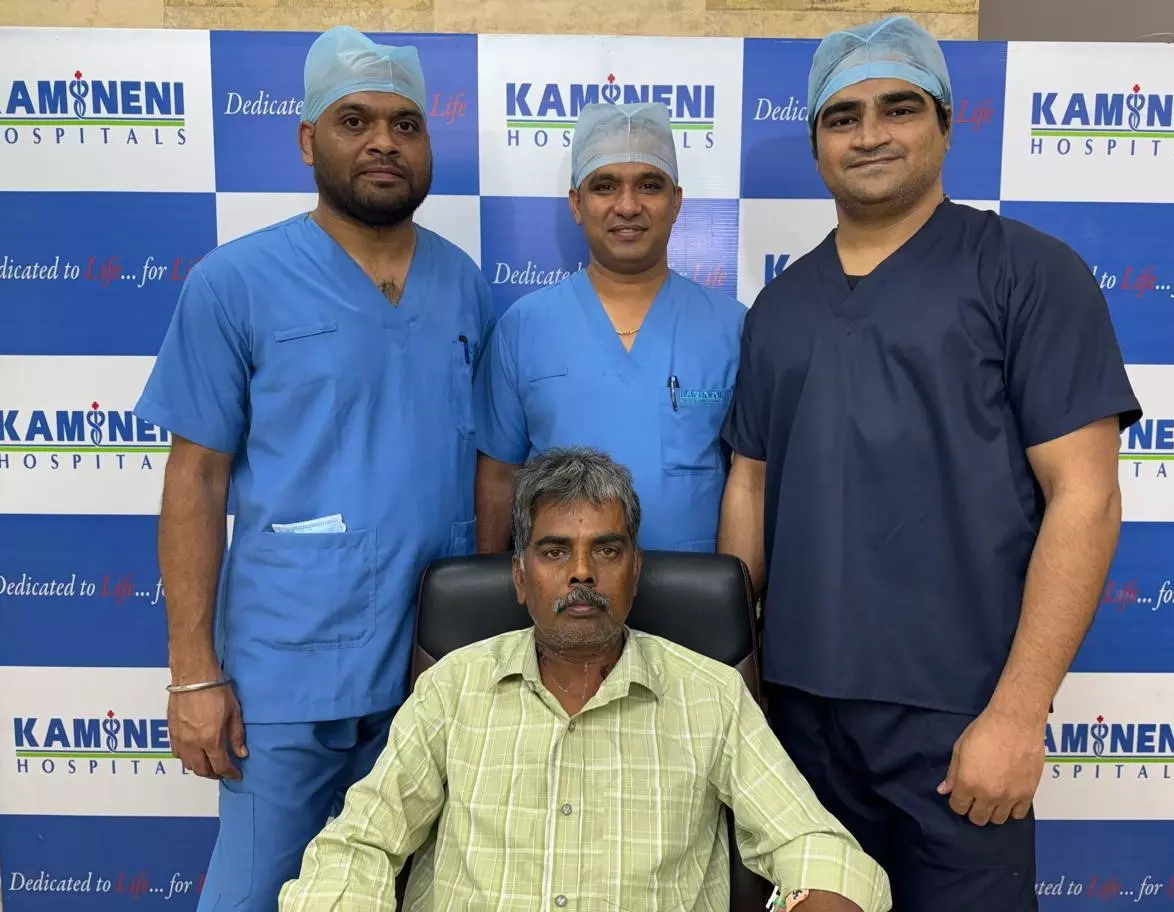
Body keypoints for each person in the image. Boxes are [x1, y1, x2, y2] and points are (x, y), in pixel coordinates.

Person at [718, 15, 1141, 911]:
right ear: (816, 144)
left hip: (963, 720)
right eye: (843, 117)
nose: (870, 134)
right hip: (798, 722)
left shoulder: (1028, 275)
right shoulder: (779, 309)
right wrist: (736, 690)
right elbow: (749, 483)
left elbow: (1087, 497)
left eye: (898, 108)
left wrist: (1019, 713)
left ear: (947, 124)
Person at [133, 26, 494, 911]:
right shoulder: (235, 283)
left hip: (431, 667)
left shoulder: (464, 285)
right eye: (354, 120)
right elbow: (195, 481)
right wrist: (193, 673)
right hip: (288, 672)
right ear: (307, 140)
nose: (383, 142)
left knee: (411, 891)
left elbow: (492, 469)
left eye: (406, 124)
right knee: (258, 892)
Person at [277, 447, 893, 912]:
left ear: (635, 571)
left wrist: (821, 896)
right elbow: (361, 843)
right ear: (520, 578)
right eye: (553, 552)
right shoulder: (453, 687)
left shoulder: (711, 695)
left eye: (606, 550)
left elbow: (814, 844)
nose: (581, 573)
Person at [474, 102, 746, 555]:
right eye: (605, 186)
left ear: (677, 202)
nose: (628, 206)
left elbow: (751, 479)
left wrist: (740, 588)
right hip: (564, 589)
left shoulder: (732, 327)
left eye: (649, 185)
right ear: (576, 204)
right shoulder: (524, 327)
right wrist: (489, 582)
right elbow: (499, 475)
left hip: (695, 588)